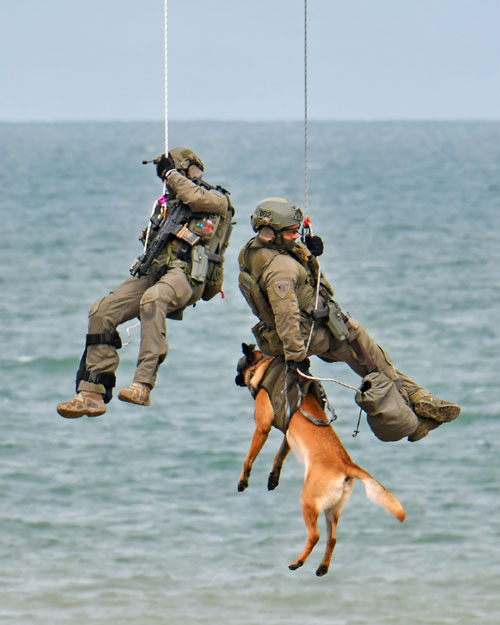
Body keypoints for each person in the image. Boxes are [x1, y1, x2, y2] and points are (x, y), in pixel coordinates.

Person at [238, 197, 460, 442]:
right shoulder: (281, 270)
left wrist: (308, 254)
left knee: (373, 361)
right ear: (270, 232)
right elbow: (287, 316)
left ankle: (420, 398)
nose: (295, 236)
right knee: (373, 361)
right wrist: (296, 358)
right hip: (310, 336)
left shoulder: (255, 251)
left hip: (289, 334)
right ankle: (412, 421)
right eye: (291, 232)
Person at [57, 147, 234, 419]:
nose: (166, 180)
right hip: (156, 270)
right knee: (103, 310)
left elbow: (195, 198)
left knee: (154, 299)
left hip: (187, 274)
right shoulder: (167, 205)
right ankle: (91, 391)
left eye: (171, 173)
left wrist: (172, 173)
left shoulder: (215, 199)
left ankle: (143, 383)